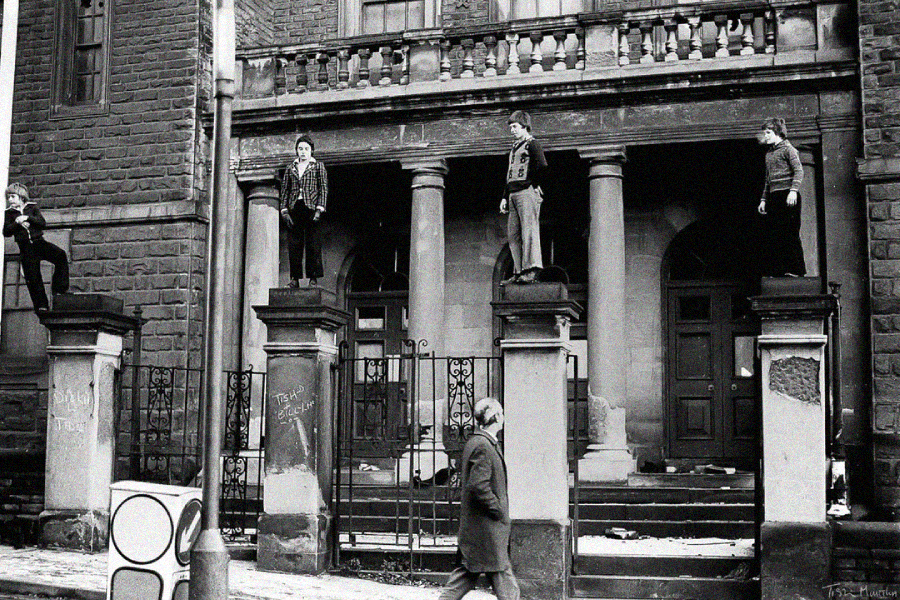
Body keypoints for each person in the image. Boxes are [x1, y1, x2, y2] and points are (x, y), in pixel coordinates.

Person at [439, 398, 520, 600]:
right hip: (487, 530)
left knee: (468, 576)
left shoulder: (479, 442)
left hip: (481, 531)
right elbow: (478, 485)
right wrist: (498, 510)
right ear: (496, 417)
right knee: (499, 575)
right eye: (501, 413)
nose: (503, 418)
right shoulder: (483, 445)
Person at [2, 183, 69, 312]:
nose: (9, 200)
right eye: (8, 197)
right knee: (33, 277)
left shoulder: (32, 208)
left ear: (21, 197)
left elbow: (42, 223)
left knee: (60, 255)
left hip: (39, 243)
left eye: (12, 196)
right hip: (25, 248)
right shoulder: (9, 213)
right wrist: (17, 222)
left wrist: (27, 218)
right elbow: (6, 232)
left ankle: (59, 290)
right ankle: (41, 305)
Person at [500, 110, 547, 284]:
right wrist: (504, 197)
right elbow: (509, 174)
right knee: (513, 235)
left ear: (524, 126)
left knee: (529, 231)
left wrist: (534, 184)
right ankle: (519, 271)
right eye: (511, 127)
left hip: (525, 192)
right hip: (513, 193)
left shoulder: (532, 144)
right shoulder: (514, 147)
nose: (512, 130)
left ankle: (532, 269)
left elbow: (542, 164)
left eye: (515, 126)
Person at [757, 117, 805, 277]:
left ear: (778, 133)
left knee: (790, 233)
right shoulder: (768, 154)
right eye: (765, 133)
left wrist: (793, 191)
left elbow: (799, 171)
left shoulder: (789, 149)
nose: (766, 136)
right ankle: (778, 271)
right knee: (774, 234)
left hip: (788, 195)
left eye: (768, 132)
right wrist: (764, 199)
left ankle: (795, 270)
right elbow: (767, 179)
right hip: (774, 197)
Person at [279, 134, 328, 287]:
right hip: (295, 208)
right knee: (294, 244)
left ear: (311, 151)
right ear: (297, 151)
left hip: (312, 208)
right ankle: (295, 279)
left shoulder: (318, 166)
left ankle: (313, 278)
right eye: (300, 149)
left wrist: (319, 209)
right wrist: (284, 210)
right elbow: (285, 190)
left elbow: (323, 188)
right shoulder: (290, 168)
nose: (303, 152)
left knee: (313, 243)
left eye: (306, 149)